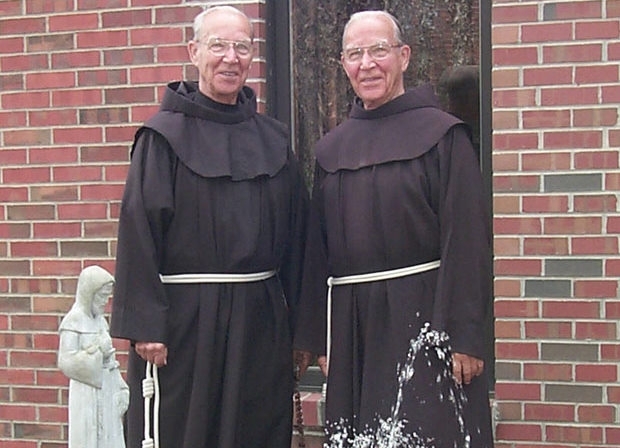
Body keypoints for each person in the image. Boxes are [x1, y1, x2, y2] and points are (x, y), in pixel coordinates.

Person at [110, 5, 308, 448]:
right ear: (194, 51)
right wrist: (146, 326)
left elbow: (299, 241)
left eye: (242, 46)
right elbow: (138, 231)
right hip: (183, 329)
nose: (231, 57)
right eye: (218, 45)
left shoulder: (274, 141)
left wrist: (304, 330)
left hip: (260, 323)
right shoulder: (161, 138)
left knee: (255, 431)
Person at [293, 10, 493, 447]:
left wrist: (466, 334)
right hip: (354, 327)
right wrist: (319, 338)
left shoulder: (444, 137)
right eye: (355, 54)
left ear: (403, 56)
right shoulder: (331, 151)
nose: (367, 64)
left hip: (428, 323)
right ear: (343, 65)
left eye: (378, 50)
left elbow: (467, 241)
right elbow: (316, 252)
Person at [58, 265, 129, 448]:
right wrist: (98, 351)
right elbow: (66, 362)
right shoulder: (73, 322)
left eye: (107, 296)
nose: (105, 301)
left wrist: (121, 387)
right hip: (86, 393)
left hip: (107, 389)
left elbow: (111, 361)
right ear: (88, 293)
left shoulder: (101, 322)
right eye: (101, 296)